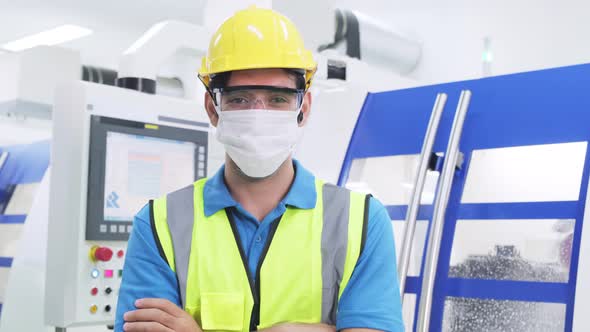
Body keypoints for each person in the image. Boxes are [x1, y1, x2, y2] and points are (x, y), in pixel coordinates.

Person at [115, 6, 403, 332]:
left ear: (303, 108)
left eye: (277, 99)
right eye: (240, 99)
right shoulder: (159, 224)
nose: (258, 114)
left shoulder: (360, 222)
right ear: (213, 108)